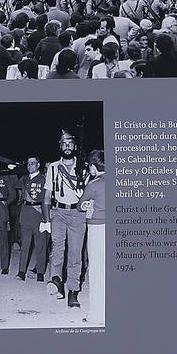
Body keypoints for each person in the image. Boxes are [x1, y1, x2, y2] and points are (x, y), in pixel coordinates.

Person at [43, 130, 88, 308]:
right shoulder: (53, 168)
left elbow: (91, 193)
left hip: (77, 214)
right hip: (58, 213)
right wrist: (46, 220)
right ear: (60, 146)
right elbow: (47, 196)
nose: (67, 146)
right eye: (64, 143)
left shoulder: (83, 168)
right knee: (57, 249)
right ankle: (56, 281)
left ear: (75, 146)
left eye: (70, 143)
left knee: (75, 254)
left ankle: (73, 291)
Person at [81, 149, 110, 324]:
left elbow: (79, 205)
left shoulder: (93, 184)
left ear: (93, 167)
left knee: (97, 271)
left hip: (97, 228)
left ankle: (98, 315)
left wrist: (84, 202)